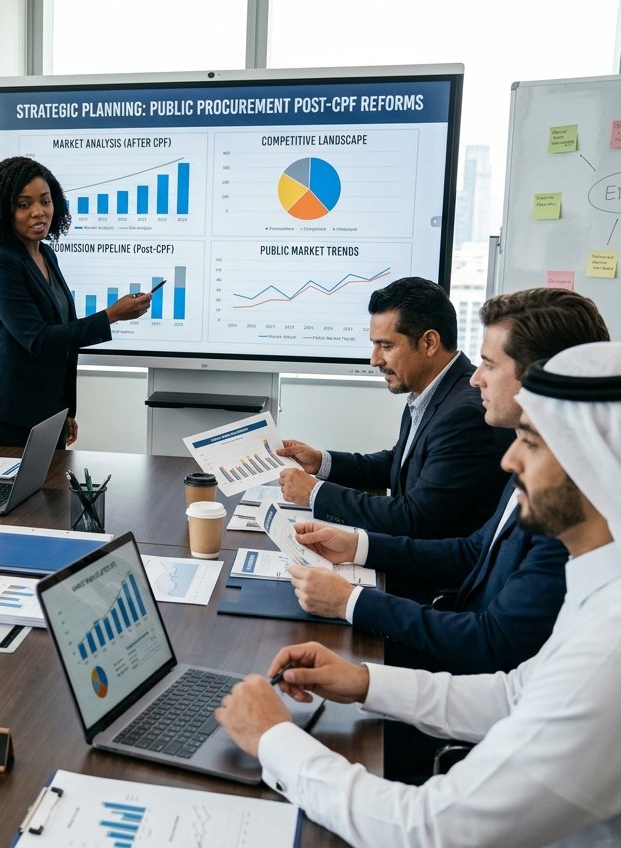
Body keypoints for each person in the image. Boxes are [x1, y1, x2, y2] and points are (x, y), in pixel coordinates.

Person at [216, 341, 621, 847]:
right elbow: (513, 695)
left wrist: (275, 740)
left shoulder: (608, 652)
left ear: (597, 463)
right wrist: (364, 681)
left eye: (533, 444)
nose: (509, 460)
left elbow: (429, 828)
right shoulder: (601, 587)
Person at [287, 288, 609, 674]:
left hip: (461, 653)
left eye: (489, 365)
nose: (476, 379)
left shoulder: (567, 504)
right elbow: (474, 550)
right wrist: (356, 545)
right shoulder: (529, 456)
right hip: (454, 630)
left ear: (542, 377)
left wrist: (351, 602)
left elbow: (494, 644)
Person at [276, 276, 509, 540]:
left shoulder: (465, 414)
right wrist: (321, 461)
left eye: (386, 346)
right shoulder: (432, 391)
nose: (374, 360)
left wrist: (315, 493)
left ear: (429, 343)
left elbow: (415, 518)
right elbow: (399, 464)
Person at [0, 156, 151, 447]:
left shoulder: (46, 254)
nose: (38, 212)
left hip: (45, 409)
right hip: (5, 411)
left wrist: (65, 409)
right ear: (4, 210)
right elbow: (38, 340)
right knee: (18, 481)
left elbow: (64, 338)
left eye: (45, 201)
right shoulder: (0, 262)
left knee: (53, 479)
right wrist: (111, 315)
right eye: (24, 205)